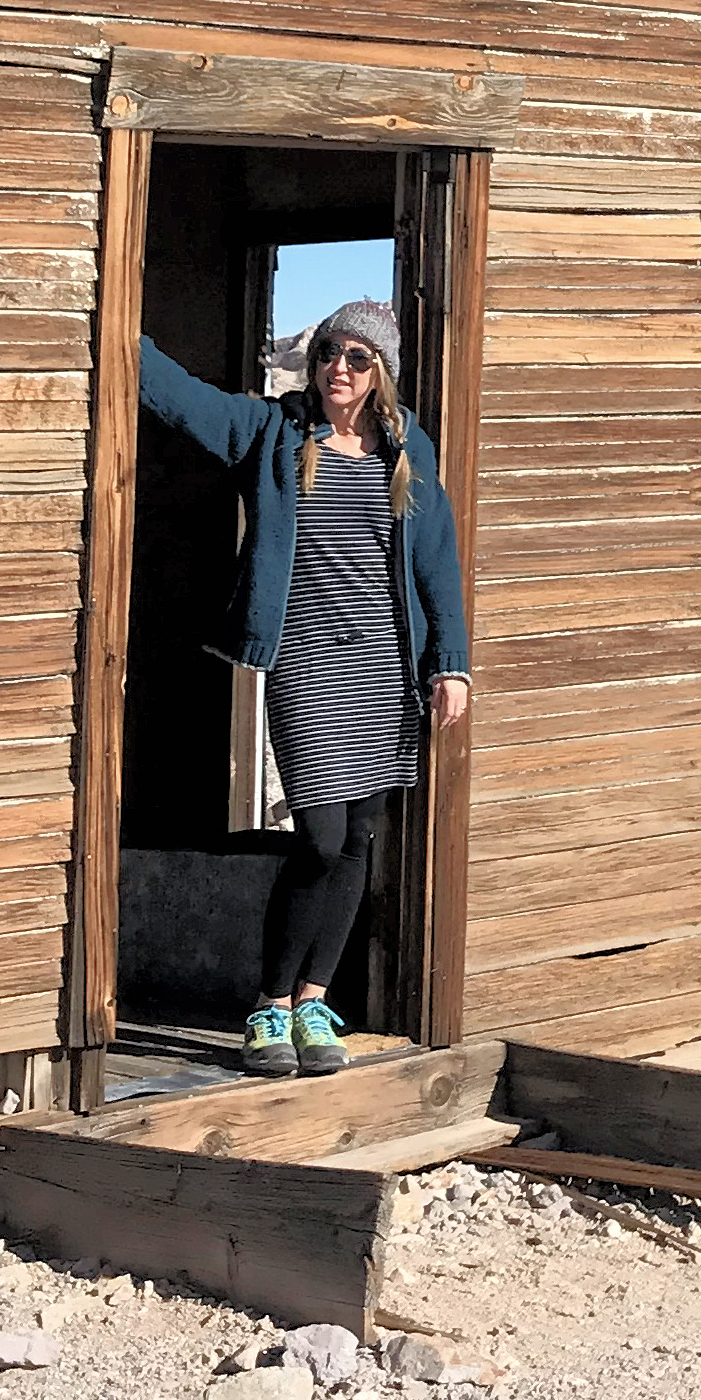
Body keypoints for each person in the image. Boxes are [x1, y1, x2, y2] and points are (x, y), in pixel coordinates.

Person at [136, 299, 470, 1076]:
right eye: (327, 352)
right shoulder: (274, 432)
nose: (336, 368)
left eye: (355, 356)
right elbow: (179, 398)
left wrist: (449, 663)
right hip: (307, 663)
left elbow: (436, 561)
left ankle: (313, 1003)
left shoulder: (407, 447)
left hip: (385, 668)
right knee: (318, 837)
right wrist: (117, 323)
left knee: (357, 840)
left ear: (379, 371)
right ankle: (270, 1004)